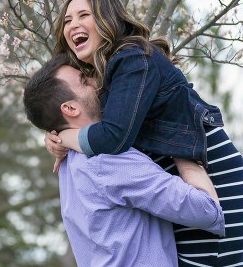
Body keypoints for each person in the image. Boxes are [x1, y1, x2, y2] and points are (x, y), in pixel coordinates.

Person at [45, 0, 243, 267]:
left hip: (214, 181)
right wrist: (53, 135)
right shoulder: (109, 75)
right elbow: (79, 115)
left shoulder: (132, 58)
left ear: (108, 21)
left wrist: (67, 135)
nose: (73, 25)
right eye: (67, 20)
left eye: (84, 15)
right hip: (187, 187)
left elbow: (113, 137)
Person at [23, 53, 226, 267]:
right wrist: (180, 147)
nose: (96, 81)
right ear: (71, 109)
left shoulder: (68, 161)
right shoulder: (106, 161)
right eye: (84, 81)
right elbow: (206, 210)